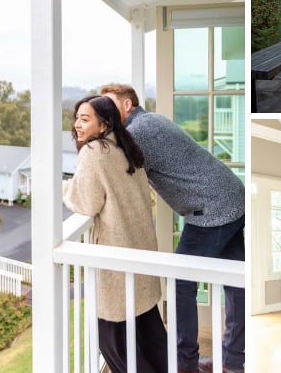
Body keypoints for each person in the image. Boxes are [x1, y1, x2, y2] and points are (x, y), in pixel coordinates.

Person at [100, 84, 245, 373]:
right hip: (230, 197)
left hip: (213, 209)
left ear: (127, 105)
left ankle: (185, 363)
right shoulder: (150, 120)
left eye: (109, 104)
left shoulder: (138, 132)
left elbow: (114, 170)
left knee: (181, 284)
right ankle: (233, 362)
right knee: (237, 282)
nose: (104, 112)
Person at [62, 95, 167, 373]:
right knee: (149, 336)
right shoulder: (125, 147)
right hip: (140, 251)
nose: (77, 125)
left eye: (85, 119)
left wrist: (64, 189)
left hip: (116, 259)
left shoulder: (93, 152)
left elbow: (87, 202)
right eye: (77, 118)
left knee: (114, 343)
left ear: (104, 124)